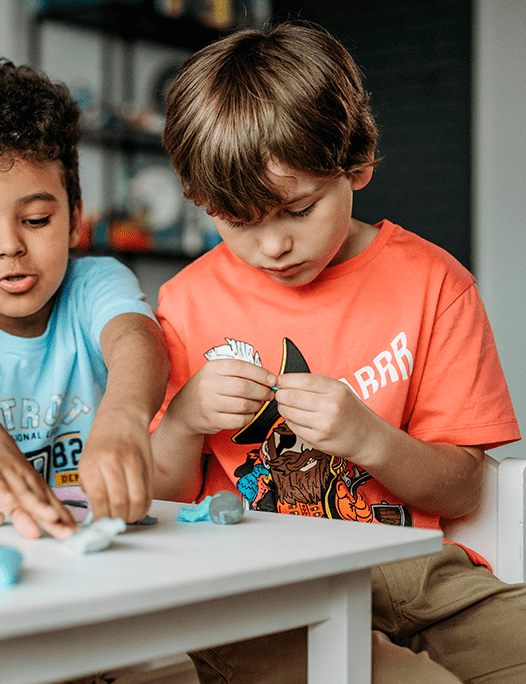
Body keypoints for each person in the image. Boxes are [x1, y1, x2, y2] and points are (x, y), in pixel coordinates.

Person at [150, 21, 524, 684]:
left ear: (357, 165)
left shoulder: (436, 285)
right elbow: (162, 497)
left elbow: (465, 485)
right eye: (238, 219)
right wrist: (182, 420)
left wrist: (368, 438)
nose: (272, 247)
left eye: (297, 210)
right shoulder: (185, 301)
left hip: (410, 565)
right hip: (250, 582)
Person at [0, 58, 169, 541]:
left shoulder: (95, 283)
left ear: (74, 217)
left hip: (107, 537)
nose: (10, 246)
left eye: (37, 219)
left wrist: (125, 416)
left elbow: (136, 335)